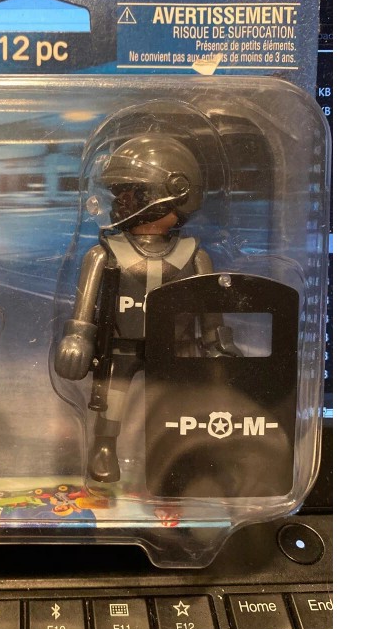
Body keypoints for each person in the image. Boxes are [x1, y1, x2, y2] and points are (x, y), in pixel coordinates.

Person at [54, 135, 239, 483]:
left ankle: (179, 455)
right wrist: (77, 338)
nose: (120, 202)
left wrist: (217, 344)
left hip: (177, 347)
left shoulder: (194, 256)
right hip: (121, 346)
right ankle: (104, 447)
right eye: (119, 193)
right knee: (112, 398)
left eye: (133, 193)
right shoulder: (104, 254)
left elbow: (211, 311)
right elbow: (84, 307)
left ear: (177, 194)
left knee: (179, 402)